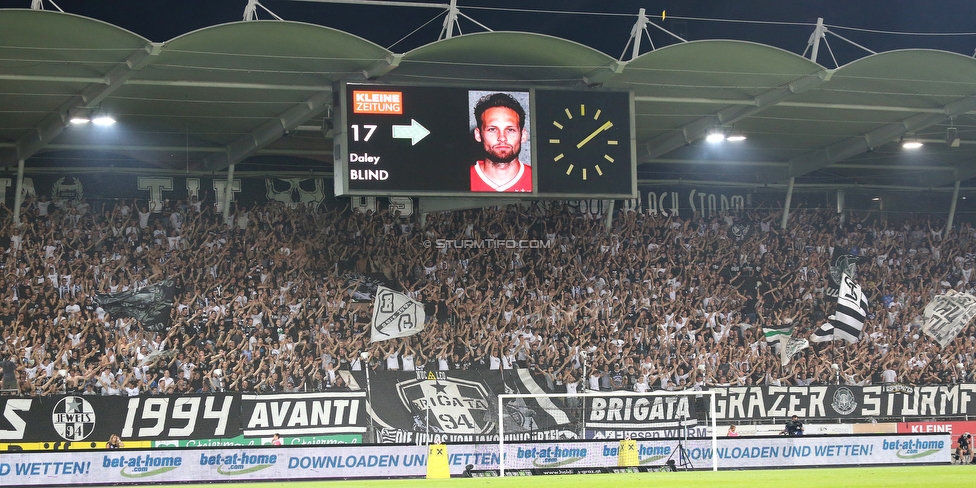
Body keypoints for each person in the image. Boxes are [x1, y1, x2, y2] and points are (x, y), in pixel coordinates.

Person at [470, 93, 532, 192]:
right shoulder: (460, 180)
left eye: (510, 130)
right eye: (492, 129)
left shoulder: (540, 179)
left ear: (523, 135)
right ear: (478, 135)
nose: (502, 138)